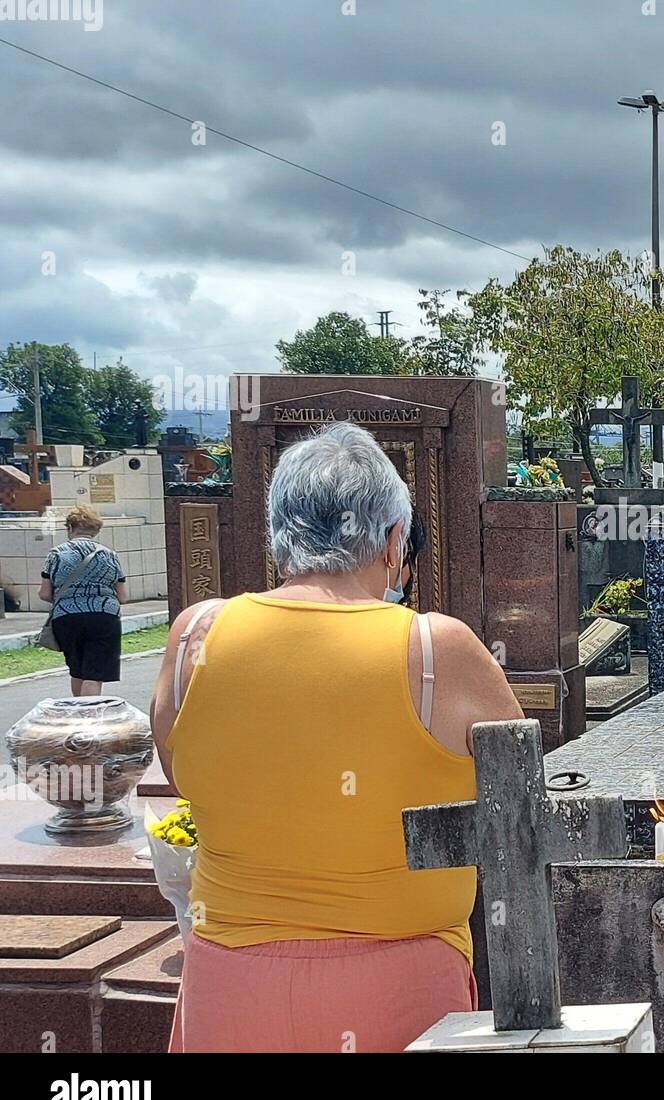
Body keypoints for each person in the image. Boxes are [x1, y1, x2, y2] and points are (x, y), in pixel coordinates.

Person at [150, 422, 522, 1053]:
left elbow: (185, 779)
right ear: (394, 539)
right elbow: (519, 806)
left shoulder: (194, 638)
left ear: (277, 538)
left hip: (229, 982)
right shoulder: (438, 649)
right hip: (402, 989)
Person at [39, 505, 128, 696]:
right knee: (94, 674)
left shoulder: (56, 554)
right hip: (103, 617)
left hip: (67, 618)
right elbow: (122, 596)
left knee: (77, 671)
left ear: (70, 528)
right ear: (95, 530)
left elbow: (45, 594)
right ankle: (90, 718)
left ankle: (78, 713)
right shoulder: (109, 555)